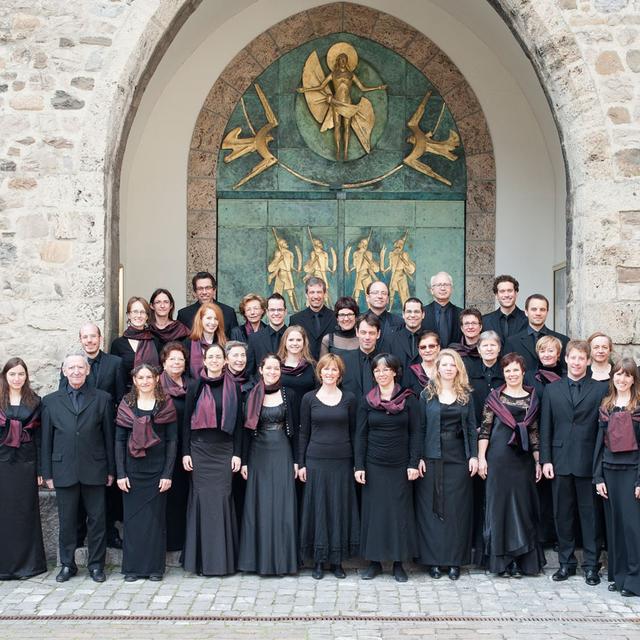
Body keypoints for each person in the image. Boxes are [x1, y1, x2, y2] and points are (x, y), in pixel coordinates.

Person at [41, 354, 115, 583]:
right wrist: (48, 473)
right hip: (63, 469)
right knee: (67, 521)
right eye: (71, 367)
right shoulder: (50, 401)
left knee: (97, 520)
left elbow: (109, 437)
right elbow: (46, 440)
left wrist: (111, 470)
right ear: (64, 371)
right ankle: (67, 564)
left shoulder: (102, 398)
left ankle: (96, 565)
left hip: (95, 468)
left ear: (87, 371)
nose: (75, 371)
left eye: (80, 367)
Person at [540, 340, 608, 585]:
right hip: (559, 462)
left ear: (588, 361)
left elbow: (603, 431)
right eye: (573, 358)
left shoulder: (600, 390)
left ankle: (591, 565)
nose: (577, 362)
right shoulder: (552, 390)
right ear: (565, 359)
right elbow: (546, 427)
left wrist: (599, 463)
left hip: (588, 461)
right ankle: (566, 563)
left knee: (590, 517)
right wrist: (546, 460)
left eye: (582, 358)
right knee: (563, 515)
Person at [354, 353, 420, 582]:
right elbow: (360, 435)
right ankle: (374, 562)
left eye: (385, 370)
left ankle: (399, 563)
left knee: (399, 514)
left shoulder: (408, 399)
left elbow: (416, 433)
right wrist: (359, 465)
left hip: (400, 465)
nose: (381, 374)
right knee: (375, 514)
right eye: (377, 371)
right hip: (374, 464)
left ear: (394, 371)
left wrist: (413, 463)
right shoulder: (367, 400)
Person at [478, 353, 545, 577]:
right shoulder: (494, 398)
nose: (512, 374)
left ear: (523, 371)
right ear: (503, 373)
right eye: (508, 371)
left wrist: (538, 461)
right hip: (498, 458)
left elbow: (534, 432)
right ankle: (502, 562)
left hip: (523, 459)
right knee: (500, 509)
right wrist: (481, 458)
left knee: (523, 509)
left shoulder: (533, 398)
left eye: (516, 370)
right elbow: (485, 430)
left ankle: (521, 560)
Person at [415, 349, 478, 581]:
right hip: (431, 456)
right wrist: (418, 457)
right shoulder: (426, 395)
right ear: (437, 368)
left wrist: (474, 456)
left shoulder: (466, 395)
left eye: (453, 365)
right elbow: (420, 428)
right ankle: (433, 561)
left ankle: (454, 561)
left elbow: (472, 427)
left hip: (458, 458)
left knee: (456, 510)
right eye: (445, 365)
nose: (449, 369)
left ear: (458, 368)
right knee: (432, 510)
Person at [62, 322, 124, 550]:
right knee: (77, 490)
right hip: (78, 435)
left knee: (105, 490)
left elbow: (120, 398)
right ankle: (78, 536)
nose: (89, 340)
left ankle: (109, 533)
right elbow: (63, 397)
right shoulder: (72, 365)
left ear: (100, 338)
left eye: (93, 336)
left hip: (104, 431)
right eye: (85, 337)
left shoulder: (115, 363)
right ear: (80, 340)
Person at [182, 343, 243, 576]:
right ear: (204, 361)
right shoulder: (195, 385)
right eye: (211, 357)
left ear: (225, 361)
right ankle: (201, 561)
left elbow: (238, 424)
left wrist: (238, 453)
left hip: (224, 450)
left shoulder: (234, 387)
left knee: (223, 502)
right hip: (200, 450)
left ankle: (223, 561)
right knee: (201, 502)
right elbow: (186, 421)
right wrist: (186, 452)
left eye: (219, 357)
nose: (215, 360)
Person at [298, 354, 359, 579]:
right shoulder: (309, 399)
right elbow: (303, 432)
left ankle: (336, 561)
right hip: (316, 461)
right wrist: (301, 463)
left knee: (339, 509)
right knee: (318, 509)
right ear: (319, 372)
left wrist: (356, 464)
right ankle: (318, 560)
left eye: (334, 370)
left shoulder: (350, 398)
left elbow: (354, 432)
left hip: (342, 461)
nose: (330, 373)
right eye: (326, 370)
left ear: (340, 374)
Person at [238, 355, 299, 576]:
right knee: (259, 504)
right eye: (268, 368)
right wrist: (243, 460)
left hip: (282, 449)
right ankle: (257, 561)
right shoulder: (250, 394)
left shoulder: (289, 394)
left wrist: (296, 460)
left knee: (282, 505)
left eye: (276, 368)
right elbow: (244, 431)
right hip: (257, 451)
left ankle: (282, 562)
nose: (272, 371)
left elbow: (297, 432)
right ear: (261, 370)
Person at [115, 364, 177, 582]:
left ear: (157, 378)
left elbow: (172, 441)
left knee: (155, 521)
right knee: (133, 522)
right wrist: (121, 473)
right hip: (132, 472)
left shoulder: (165, 404)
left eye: (149, 377)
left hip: (157, 470)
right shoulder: (126, 405)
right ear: (134, 380)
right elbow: (119, 441)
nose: (145, 381)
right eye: (140, 377)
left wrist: (167, 474)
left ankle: (154, 569)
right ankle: (132, 569)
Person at [594, 358, 640, 597]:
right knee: (615, 527)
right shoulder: (607, 405)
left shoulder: (639, 406)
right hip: (609, 472)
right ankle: (620, 576)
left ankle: (635, 578)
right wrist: (598, 476)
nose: (622, 379)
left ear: (634, 379)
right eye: (618, 374)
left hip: (632, 472)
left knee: (633, 529)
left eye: (627, 375)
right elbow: (599, 445)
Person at [0, 358, 46, 579]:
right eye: (12, 374)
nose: (17, 378)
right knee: (4, 513)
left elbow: (39, 438)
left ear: (26, 376)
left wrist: (39, 470)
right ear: (5, 376)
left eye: (20, 374)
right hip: (2, 463)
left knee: (25, 513)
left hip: (26, 464)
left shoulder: (36, 402)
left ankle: (29, 566)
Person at [523, 334, 564, 547]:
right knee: (537, 487)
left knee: (558, 490)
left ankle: (558, 535)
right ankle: (539, 536)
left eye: (551, 351)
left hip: (560, 437)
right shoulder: (530, 377)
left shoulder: (567, 376)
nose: (547, 354)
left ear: (558, 354)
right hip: (535, 435)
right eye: (543, 350)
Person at [158, 342, 190, 553]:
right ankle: (165, 541)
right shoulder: (156, 386)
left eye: (180, 359)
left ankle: (181, 540)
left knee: (182, 493)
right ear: (164, 363)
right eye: (172, 359)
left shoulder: (192, 385)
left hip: (186, 447)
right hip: (162, 447)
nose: (177, 363)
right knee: (164, 496)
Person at [503, 294, 569, 373]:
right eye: (534, 309)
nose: (538, 313)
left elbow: (566, 371)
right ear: (526, 312)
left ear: (547, 312)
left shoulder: (563, 340)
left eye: (542, 309)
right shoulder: (512, 342)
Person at [110, 297, 161, 392]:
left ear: (147, 316)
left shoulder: (155, 341)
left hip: (153, 395)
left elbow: (160, 371)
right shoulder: (118, 344)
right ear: (129, 315)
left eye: (142, 312)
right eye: (135, 311)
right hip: (126, 396)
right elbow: (115, 376)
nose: (139, 315)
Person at [177, 271, 238, 337]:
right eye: (200, 288)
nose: (204, 292)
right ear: (194, 292)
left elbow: (234, 340)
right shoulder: (183, 314)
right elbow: (180, 344)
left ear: (214, 290)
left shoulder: (228, 312)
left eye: (208, 288)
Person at [289, 277, 335, 361]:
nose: (316, 296)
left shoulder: (335, 317)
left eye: (319, 292)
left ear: (325, 294)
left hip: (329, 369)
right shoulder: (295, 319)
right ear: (306, 295)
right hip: (304, 369)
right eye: (312, 292)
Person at [381, 297, 425, 379]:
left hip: (426, 388)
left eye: (416, 312)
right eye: (409, 311)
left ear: (423, 315)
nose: (412, 315)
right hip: (399, 389)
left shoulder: (430, 339)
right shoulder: (391, 339)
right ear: (403, 314)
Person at [246, 293, 288, 376]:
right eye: (272, 310)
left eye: (279, 310)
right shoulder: (255, 338)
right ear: (267, 312)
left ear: (285, 312)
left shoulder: (293, 338)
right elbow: (249, 372)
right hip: (261, 387)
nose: (276, 313)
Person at [341, 313, 381, 399]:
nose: (367, 337)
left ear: (378, 334)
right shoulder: (343, 361)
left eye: (372, 333)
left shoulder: (386, 362)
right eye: (363, 332)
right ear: (357, 332)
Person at [184, 302, 226, 378]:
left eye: (216, 319)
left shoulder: (224, 343)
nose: (212, 322)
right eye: (209, 318)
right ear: (200, 319)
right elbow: (184, 372)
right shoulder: (188, 343)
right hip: (195, 387)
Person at [421, 272, 462, 348]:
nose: (443, 288)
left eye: (446, 285)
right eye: (439, 285)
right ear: (432, 290)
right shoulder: (422, 313)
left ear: (452, 289)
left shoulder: (462, 314)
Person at [481, 275, 528, 343]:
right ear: (496, 295)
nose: (506, 295)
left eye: (510, 290)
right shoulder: (485, 321)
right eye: (502, 291)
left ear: (516, 293)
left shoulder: (528, 319)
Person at [277, 325, 317, 398]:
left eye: (298, 340)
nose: (295, 343)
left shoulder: (313, 366)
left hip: (306, 408)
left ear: (304, 342)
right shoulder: (277, 366)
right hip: (283, 409)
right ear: (284, 342)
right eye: (291, 340)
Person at [404, 331, 440, 396]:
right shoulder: (410, 372)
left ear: (438, 348)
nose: (427, 350)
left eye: (431, 346)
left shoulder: (446, 370)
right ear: (419, 350)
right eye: (423, 347)